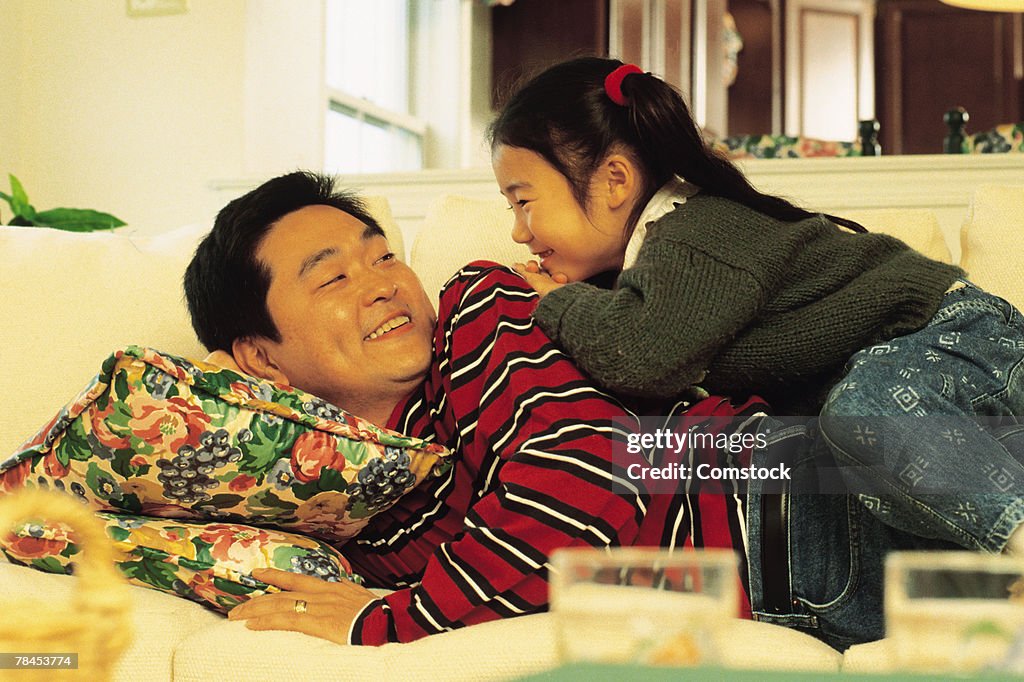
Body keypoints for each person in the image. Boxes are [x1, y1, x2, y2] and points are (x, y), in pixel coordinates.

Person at [489, 57, 1024, 643]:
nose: (519, 231)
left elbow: (642, 357)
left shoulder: (696, 230)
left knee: (863, 412)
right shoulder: (646, 263)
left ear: (615, 181)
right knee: (861, 464)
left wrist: (550, 302)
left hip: (957, 338)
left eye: (523, 201)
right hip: (941, 387)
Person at [183, 171, 766, 646]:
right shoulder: (336, 516)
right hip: (776, 585)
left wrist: (390, 621)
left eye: (383, 258)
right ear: (261, 358)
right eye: (334, 278)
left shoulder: (478, 308)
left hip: (779, 491)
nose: (383, 285)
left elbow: (589, 482)